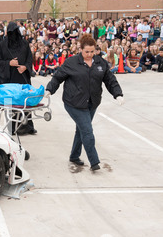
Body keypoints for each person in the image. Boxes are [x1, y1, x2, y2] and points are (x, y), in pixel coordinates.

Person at [45, 34, 124, 171]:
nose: (89, 54)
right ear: (80, 49)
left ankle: (74, 156)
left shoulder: (100, 63)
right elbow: (58, 77)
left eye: (92, 51)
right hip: (74, 103)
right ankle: (94, 162)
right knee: (87, 130)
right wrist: (49, 90)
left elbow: (110, 80)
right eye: (86, 51)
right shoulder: (71, 62)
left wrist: (118, 94)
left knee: (81, 129)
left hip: (92, 103)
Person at [0, 21, 35, 135]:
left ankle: (28, 127)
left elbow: (29, 59)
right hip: (8, 79)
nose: (13, 35)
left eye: (15, 32)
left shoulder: (24, 43)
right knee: (10, 103)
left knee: (25, 101)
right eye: (11, 32)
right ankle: (11, 128)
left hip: (22, 77)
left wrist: (25, 67)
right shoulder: (2, 45)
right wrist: (9, 63)